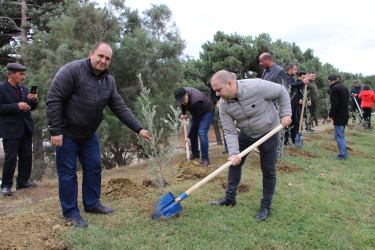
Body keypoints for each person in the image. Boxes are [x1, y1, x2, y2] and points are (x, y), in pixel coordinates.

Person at [46, 42, 152, 227]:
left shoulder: (108, 81)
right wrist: (55, 131)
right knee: (68, 174)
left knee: (94, 168)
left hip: (88, 134)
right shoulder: (71, 71)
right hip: (67, 132)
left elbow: (119, 106)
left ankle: (92, 204)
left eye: (107, 58)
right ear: (91, 54)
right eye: (100, 56)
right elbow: (54, 99)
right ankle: (71, 213)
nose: (103, 61)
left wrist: (138, 129)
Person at [209, 70, 292, 221]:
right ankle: (230, 198)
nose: (217, 94)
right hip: (246, 133)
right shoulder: (224, 105)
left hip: (269, 131)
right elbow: (229, 131)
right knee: (234, 164)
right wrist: (234, 153)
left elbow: (281, 91)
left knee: (268, 170)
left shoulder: (256, 86)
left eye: (218, 90)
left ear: (229, 83)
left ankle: (265, 206)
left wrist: (286, 113)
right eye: (215, 91)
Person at [0, 63, 38, 196]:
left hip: (25, 128)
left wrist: (33, 100)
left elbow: (31, 107)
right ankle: (6, 185)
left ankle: (22, 182)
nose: (23, 77)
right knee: (10, 158)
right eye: (20, 74)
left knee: (26, 156)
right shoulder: (1, 88)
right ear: (11, 74)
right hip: (11, 129)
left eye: (24, 74)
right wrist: (16, 106)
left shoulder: (24, 89)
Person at [175, 87, 215, 167]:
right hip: (196, 112)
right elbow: (183, 104)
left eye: (183, 100)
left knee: (201, 132)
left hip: (207, 112)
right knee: (193, 132)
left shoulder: (196, 100)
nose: (182, 102)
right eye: (180, 101)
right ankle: (195, 153)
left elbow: (196, 121)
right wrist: (183, 113)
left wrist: (189, 136)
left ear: (187, 94)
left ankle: (205, 159)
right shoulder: (181, 94)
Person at [327, 74, 349, 160]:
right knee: (341, 135)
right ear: (337, 79)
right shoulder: (344, 87)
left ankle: (343, 155)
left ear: (329, 81)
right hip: (345, 113)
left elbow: (335, 104)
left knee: (339, 135)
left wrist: (330, 115)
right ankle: (344, 153)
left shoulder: (335, 89)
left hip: (339, 115)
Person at [290, 71, 309, 145]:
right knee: (294, 121)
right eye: (303, 77)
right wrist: (299, 99)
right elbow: (295, 93)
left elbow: (304, 92)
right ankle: (292, 138)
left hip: (299, 106)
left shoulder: (304, 84)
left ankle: (297, 136)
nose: (304, 79)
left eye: (305, 77)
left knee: (297, 121)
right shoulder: (297, 83)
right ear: (299, 77)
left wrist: (307, 99)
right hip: (295, 104)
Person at [209, 87, 228, 154]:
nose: (217, 94)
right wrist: (217, 102)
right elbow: (212, 93)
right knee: (226, 128)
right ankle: (227, 147)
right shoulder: (213, 87)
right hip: (222, 108)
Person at [284, 64, 297, 146]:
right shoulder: (287, 77)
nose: (296, 71)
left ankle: (293, 139)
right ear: (290, 69)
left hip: (294, 103)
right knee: (287, 122)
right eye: (295, 69)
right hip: (289, 103)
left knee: (294, 121)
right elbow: (290, 86)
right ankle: (285, 140)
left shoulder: (291, 78)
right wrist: (302, 83)